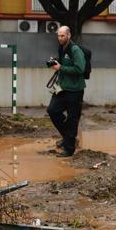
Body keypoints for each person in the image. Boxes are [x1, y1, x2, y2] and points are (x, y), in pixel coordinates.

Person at [47, 25, 86, 157]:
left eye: (62, 35)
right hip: (62, 87)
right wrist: (54, 62)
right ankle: (68, 138)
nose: (60, 38)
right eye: (58, 35)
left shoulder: (75, 50)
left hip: (75, 90)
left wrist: (61, 68)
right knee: (52, 111)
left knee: (72, 119)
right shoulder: (62, 48)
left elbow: (80, 69)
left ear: (69, 35)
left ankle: (69, 150)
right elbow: (63, 64)